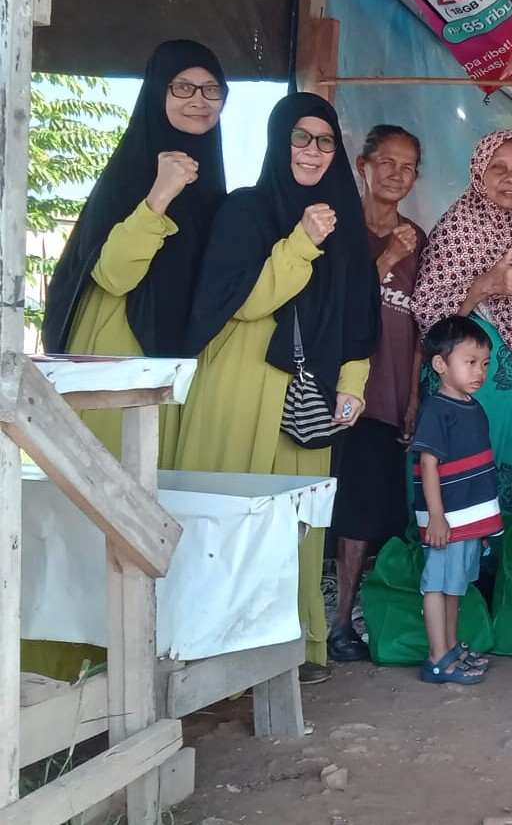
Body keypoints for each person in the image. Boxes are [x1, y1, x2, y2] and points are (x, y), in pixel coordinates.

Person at [178, 93, 379, 684]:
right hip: (241, 383)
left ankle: (289, 656)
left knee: (294, 529)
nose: (312, 152)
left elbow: (357, 313)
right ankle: (203, 655)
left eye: (323, 141)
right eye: (300, 138)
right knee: (227, 523)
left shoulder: (342, 220)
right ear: (277, 141)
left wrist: (353, 382)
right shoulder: (246, 210)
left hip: (309, 395)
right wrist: (298, 245)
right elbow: (240, 304)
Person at [42, 39, 227, 461]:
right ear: (157, 90)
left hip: (180, 356)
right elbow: (114, 275)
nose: (199, 100)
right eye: (182, 87)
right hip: (120, 346)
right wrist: (159, 197)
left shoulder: (215, 183)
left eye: (211, 89)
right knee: (110, 483)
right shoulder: (132, 174)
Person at [327, 125, 427, 663]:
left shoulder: (419, 238)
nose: (395, 173)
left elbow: (418, 328)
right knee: (348, 513)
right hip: (343, 393)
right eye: (386, 162)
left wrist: (412, 396)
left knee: (378, 512)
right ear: (363, 165)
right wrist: (386, 259)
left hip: (389, 395)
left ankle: (360, 618)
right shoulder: (340, 228)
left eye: (407, 166)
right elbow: (332, 304)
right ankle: (337, 623)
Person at [412, 131, 512, 516]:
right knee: (465, 467)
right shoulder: (458, 227)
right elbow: (427, 313)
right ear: (478, 174)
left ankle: (509, 566)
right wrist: (485, 286)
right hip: (470, 373)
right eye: (498, 168)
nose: (510, 178)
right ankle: (456, 563)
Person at [411, 316, 503, 685]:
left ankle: (449, 647)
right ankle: (437, 657)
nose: (480, 371)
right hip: (445, 522)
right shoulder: (437, 409)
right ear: (440, 365)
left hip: (466, 523)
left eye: (484, 363)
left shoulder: (472, 406)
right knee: (438, 585)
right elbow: (428, 463)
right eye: (470, 362)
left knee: (455, 587)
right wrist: (436, 516)